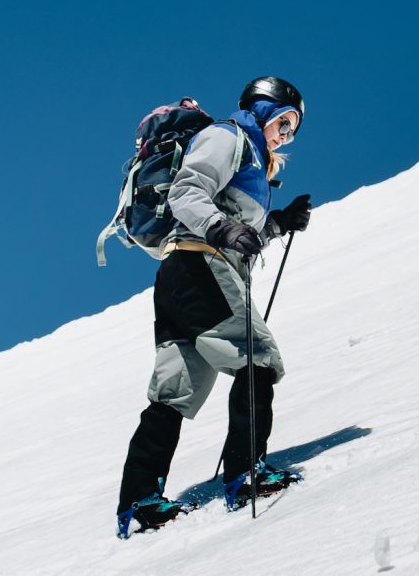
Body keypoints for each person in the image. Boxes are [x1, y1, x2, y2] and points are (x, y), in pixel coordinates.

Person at [116, 78, 313, 536]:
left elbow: (240, 233)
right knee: (258, 360)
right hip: (202, 268)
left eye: (292, 130)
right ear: (261, 109)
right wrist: (221, 230)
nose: (284, 134)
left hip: (180, 277)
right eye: (282, 121)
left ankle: (139, 503)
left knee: (173, 393)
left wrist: (280, 221)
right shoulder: (229, 137)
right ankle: (247, 474)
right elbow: (188, 194)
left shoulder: (253, 160)